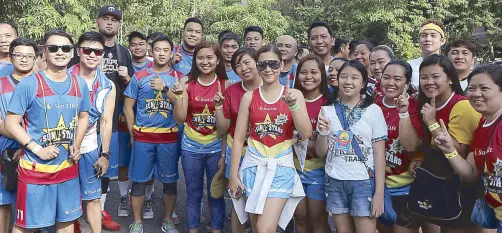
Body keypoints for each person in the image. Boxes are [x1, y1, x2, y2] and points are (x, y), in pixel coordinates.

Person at [6, 29, 91, 233]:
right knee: (25, 225)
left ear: (72, 53)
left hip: (68, 168)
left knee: (67, 221)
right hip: (36, 171)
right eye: (53, 48)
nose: (60, 52)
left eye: (65, 48)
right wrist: (37, 148)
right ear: (44, 52)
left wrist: (77, 145)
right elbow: (10, 122)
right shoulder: (30, 84)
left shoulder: (79, 83)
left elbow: (83, 116)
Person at [229, 44, 312, 233]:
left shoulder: (294, 94)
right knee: (257, 228)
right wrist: (233, 175)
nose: (268, 69)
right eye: (263, 65)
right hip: (252, 166)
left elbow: (306, 133)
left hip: (281, 168)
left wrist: (293, 106)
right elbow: (239, 138)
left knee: (265, 229)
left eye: (273, 64)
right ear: (257, 67)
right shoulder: (249, 97)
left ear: (282, 65)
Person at [405, 54, 481, 233]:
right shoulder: (427, 105)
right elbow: (425, 144)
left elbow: (458, 150)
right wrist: (420, 157)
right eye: (424, 77)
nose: (429, 82)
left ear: (450, 79)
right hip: (440, 185)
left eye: (435, 76)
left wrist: (431, 122)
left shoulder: (462, 105)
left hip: (462, 187)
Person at [316, 60, 387, 233]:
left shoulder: (373, 110)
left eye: (355, 78)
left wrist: (379, 194)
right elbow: (320, 152)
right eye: (344, 77)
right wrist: (323, 133)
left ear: (363, 83)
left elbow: (379, 153)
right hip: (334, 179)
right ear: (337, 79)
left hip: (363, 181)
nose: (348, 82)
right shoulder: (327, 109)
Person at [433, 64, 502, 232]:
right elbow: (471, 174)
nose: (476, 94)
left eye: (484, 88)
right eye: (471, 88)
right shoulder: (482, 127)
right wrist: (449, 150)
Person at [124, 34, 181, 233]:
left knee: (169, 182)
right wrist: (132, 134)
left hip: (169, 138)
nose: (162, 53)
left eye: (166, 50)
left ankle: (167, 220)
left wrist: (165, 89)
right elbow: (127, 107)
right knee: (139, 181)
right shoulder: (139, 77)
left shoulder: (178, 77)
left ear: (172, 52)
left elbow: (182, 105)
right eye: (158, 50)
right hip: (143, 138)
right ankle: (137, 222)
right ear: (151, 51)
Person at [172, 41, 228, 233]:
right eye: (200, 58)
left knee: (216, 195)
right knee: (193, 195)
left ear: (217, 59)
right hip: (191, 147)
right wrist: (178, 96)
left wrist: (223, 154)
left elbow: (225, 128)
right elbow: (179, 119)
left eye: (210, 57)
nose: (205, 62)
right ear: (194, 60)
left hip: (215, 149)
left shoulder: (225, 84)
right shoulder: (186, 82)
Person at [89, 6, 134, 230]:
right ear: (97, 21)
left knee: (104, 167)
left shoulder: (123, 52)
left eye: (114, 20)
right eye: (105, 18)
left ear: (118, 25)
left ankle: (102, 211)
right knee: (78, 166)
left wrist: (126, 79)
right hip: (84, 121)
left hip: (111, 120)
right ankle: (76, 213)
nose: (109, 23)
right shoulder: (88, 48)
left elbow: (131, 88)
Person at [67, 31, 116, 233]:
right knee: (66, 199)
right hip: (61, 144)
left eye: (98, 52)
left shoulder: (107, 85)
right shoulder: (63, 76)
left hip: (89, 146)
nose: (92, 55)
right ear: (79, 51)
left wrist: (104, 154)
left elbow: (106, 122)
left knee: (93, 198)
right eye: (87, 50)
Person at [214, 47, 262, 233]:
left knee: (258, 204)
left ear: (257, 62)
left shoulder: (270, 88)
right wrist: (218, 107)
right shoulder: (232, 91)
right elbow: (224, 128)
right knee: (238, 202)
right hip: (237, 152)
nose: (243, 68)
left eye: (247, 62)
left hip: (262, 154)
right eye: (238, 65)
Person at [374, 60, 423, 233]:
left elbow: (411, 147)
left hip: (404, 188)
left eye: (397, 78)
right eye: (386, 77)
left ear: (407, 83)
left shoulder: (414, 106)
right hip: (374, 186)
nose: (390, 83)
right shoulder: (371, 104)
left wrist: (403, 112)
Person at [0, 37, 38, 233]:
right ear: (11, 56)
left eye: (29, 56)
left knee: (33, 205)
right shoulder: (1, 84)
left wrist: (28, 146)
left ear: (36, 58)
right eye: (19, 55)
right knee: (3, 201)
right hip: (5, 149)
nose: (24, 59)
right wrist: (22, 140)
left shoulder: (41, 84)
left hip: (35, 153)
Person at [292, 54, 331, 233]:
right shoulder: (290, 100)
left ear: (322, 74)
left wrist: (306, 142)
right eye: (303, 72)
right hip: (293, 169)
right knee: (299, 218)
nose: (308, 77)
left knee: (318, 219)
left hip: (319, 171)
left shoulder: (329, 102)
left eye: (314, 72)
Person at [408, 19, 446, 90]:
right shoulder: (409, 66)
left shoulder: (448, 66)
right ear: (419, 40)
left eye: (433, 36)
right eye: (424, 36)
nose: (428, 39)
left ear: (442, 41)